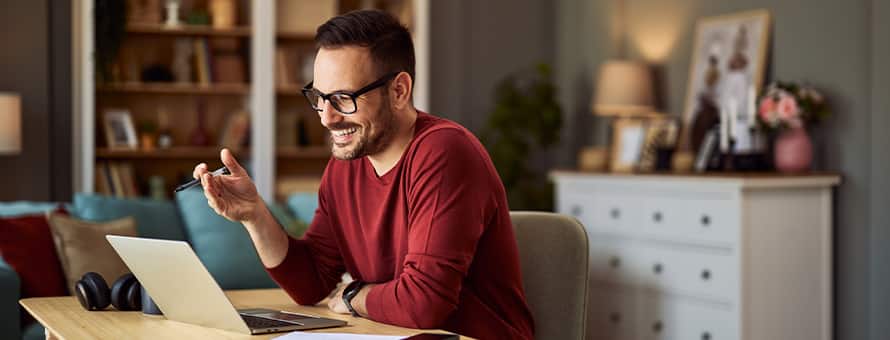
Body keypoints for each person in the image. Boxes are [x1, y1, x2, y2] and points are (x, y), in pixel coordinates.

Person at [193, 10, 534, 340]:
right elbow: (312, 282)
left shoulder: (444, 153)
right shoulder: (346, 164)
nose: (326, 117)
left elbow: (425, 304)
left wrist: (353, 295)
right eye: (320, 97)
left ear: (399, 91)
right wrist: (255, 214)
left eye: (343, 98)